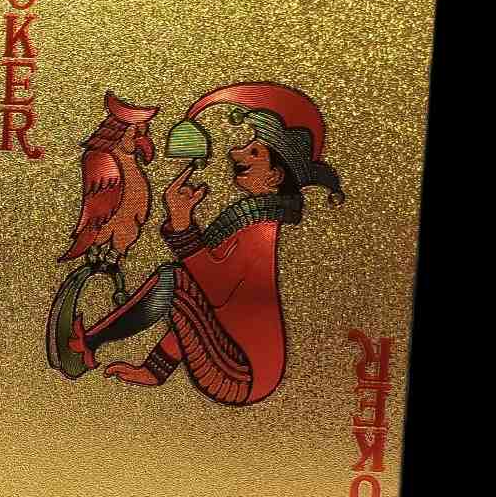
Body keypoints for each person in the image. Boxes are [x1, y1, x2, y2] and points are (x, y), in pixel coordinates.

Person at [67, 82, 344, 406]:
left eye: (254, 152)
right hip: (235, 361)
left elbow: (213, 289)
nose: (236, 154)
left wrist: (183, 224)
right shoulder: (251, 220)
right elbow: (200, 304)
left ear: (274, 177)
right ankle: (103, 347)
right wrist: (154, 371)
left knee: (174, 279)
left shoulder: (260, 230)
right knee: (180, 282)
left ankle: (90, 342)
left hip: (240, 373)